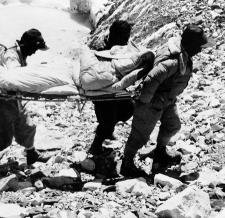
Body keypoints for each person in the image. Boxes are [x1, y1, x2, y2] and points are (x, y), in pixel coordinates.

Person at [120, 25, 210, 177]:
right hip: (152, 102)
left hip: (167, 100)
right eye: (199, 46)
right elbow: (151, 80)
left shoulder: (183, 55)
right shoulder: (172, 62)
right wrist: (145, 103)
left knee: (172, 126)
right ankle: (126, 164)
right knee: (139, 135)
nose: (200, 50)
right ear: (191, 45)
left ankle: (160, 153)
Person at [0, 29, 48, 167]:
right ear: (27, 45)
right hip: (1, 99)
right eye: (34, 49)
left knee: (27, 125)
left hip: (14, 97)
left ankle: (31, 154)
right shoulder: (11, 56)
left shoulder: (19, 50)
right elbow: (15, 77)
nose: (34, 52)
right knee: (1, 138)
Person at [88, 20, 136, 155]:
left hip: (117, 91)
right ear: (116, 36)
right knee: (107, 120)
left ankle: (108, 132)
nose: (127, 39)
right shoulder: (102, 52)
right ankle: (96, 146)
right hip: (103, 94)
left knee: (128, 109)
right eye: (125, 36)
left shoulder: (123, 50)